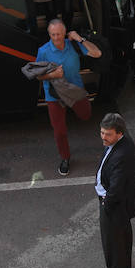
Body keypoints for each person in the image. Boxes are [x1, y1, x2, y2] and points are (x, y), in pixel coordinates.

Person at [35, 19, 103, 175]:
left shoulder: (74, 44)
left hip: (75, 90)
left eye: (59, 34)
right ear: (49, 34)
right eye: (53, 34)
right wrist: (53, 74)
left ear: (64, 33)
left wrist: (80, 38)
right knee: (59, 131)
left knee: (86, 115)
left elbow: (97, 53)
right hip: (55, 95)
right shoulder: (44, 51)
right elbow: (38, 75)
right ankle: (65, 158)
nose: (56, 38)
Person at [94, 113, 135, 268]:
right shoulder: (121, 143)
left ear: (119, 133)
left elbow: (117, 186)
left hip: (114, 204)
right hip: (121, 203)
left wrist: (107, 203)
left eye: (108, 134)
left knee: (112, 240)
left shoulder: (121, 154)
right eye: (102, 132)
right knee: (123, 236)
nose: (103, 137)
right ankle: (124, 266)